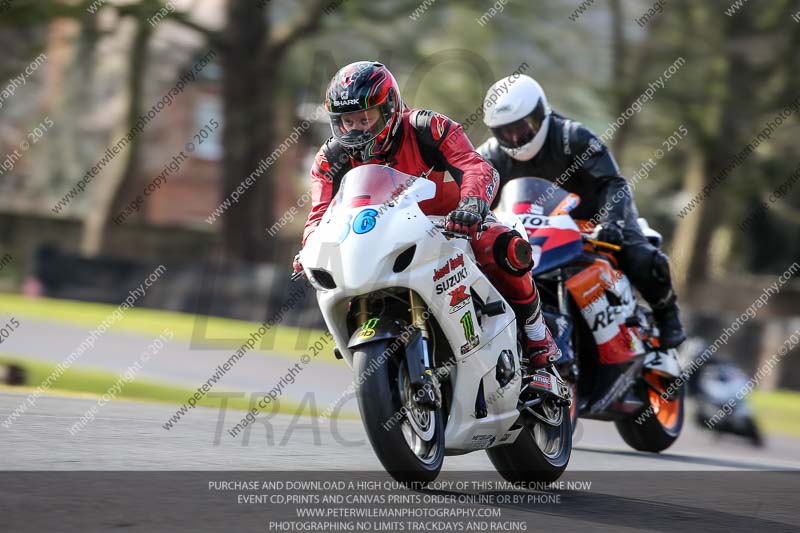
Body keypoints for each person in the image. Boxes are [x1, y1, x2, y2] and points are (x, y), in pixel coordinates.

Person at [294, 61, 561, 370]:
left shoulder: (426, 127)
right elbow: (319, 214)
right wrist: (310, 247)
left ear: (390, 108)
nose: (356, 130)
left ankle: (536, 333)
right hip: (380, 239)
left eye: (365, 119)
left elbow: (474, 165)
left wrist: (472, 204)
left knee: (503, 246)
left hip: (452, 225)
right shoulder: (330, 159)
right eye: (347, 122)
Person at [477, 74, 686, 349]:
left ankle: (667, 314)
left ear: (541, 114)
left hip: (593, 220)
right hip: (531, 231)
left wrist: (612, 222)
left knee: (639, 256)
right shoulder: (489, 156)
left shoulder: (572, 137)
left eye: (522, 127)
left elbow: (613, 183)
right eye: (505, 132)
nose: (515, 138)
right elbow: (472, 196)